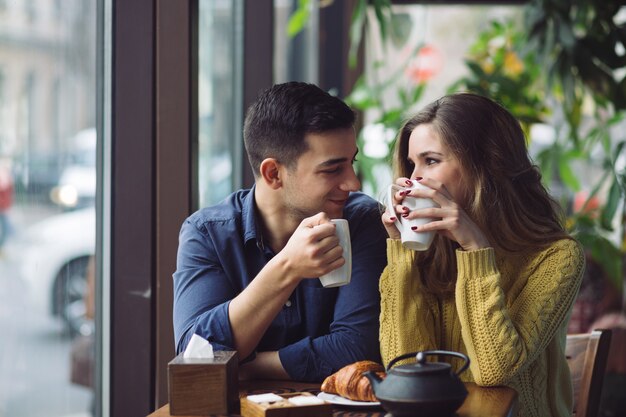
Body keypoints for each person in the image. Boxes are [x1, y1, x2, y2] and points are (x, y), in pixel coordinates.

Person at [380, 93, 584, 417]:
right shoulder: (429, 253)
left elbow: (493, 371)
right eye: (411, 164)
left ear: (485, 166)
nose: (413, 178)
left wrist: (475, 249)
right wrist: (403, 255)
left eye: (430, 160)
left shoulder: (557, 257)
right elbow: (403, 369)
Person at [173, 82, 387, 382]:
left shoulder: (362, 221)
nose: (353, 183)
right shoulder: (208, 234)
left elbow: (358, 348)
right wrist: (287, 267)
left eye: (351, 163)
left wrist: (245, 366)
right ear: (273, 173)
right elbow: (194, 358)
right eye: (332, 169)